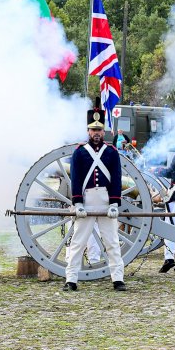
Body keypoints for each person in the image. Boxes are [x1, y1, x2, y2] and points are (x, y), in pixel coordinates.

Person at [64, 99, 125, 292]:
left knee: (112, 242)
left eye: (99, 130)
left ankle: (118, 279)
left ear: (104, 131)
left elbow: (116, 178)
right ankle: (71, 280)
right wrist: (78, 203)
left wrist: (115, 203)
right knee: (78, 242)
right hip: (87, 199)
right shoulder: (80, 153)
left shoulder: (112, 152)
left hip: (106, 200)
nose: (96, 133)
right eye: (93, 130)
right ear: (88, 131)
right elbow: (76, 179)